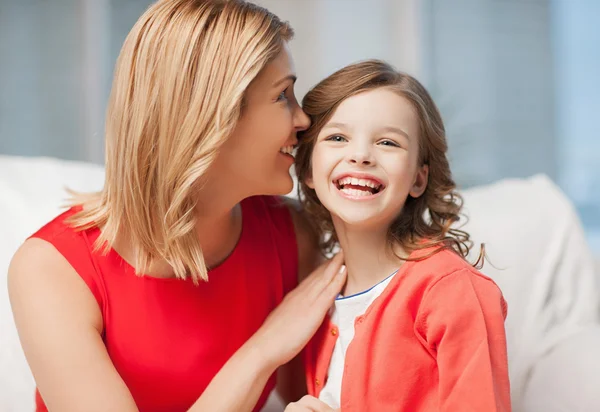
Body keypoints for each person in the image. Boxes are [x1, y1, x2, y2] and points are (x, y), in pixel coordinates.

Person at [7, 1, 347, 411]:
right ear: (211, 116)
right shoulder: (52, 269)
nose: (303, 120)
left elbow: (318, 396)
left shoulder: (291, 235)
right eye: (282, 96)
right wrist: (263, 349)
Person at [294, 60, 512, 411]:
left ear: (418, 179)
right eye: (337, 137)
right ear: (307, 168)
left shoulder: (452, 291)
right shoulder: (314, 297)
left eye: (388, 142)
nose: (361, 155)